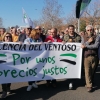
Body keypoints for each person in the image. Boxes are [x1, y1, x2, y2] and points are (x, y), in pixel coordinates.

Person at [81, 25, 99, 92]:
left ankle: (88, 81)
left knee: (92, 71)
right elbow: (82, 45)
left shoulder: (97, 37)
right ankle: (89, 86)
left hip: (95, 56)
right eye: (88, 30)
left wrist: (86, 46)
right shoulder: (83, 37)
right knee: (87, 71)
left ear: (93, 30)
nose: (89, 31)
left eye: (91, 30)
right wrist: (88, 42)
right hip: (86, 56)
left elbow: (96, 46)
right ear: (86, 31)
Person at [63, 25, 81, 89]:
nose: (71, 30)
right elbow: (62, 43)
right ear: (68, 29)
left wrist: (73, 42)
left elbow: (80, 44)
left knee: (73, 67)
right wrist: (63, 42)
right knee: (68, 68)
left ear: (74, 29)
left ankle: (72, 81)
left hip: (75, 55)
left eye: (72, 29)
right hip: (67, 54)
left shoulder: (78, 36)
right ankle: (70, 81)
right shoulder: (65, 36)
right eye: (70, 29)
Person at [1, 32, 12, 99]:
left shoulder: (15, 45)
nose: (8, 38)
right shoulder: (1, 45)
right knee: (3, 77)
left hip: (11, 63)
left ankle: (8, 87)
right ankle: (4, 91)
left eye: (9, 37)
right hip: (3, 63)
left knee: (10, 75)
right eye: (7, 37)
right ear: (4, 38)